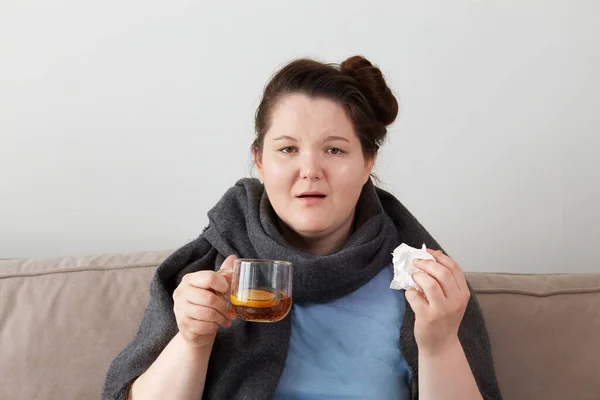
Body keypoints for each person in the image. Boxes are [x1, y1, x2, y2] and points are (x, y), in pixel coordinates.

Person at [103, 55, 502, 400]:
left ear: (368, 162)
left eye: (334, 149)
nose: (310, 170)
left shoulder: (418, 279)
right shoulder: (210, 267)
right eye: (288, 149)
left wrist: (439, 344)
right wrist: (193, 339)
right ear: (260, 160)